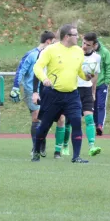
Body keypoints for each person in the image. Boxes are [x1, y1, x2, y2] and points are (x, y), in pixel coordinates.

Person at [32, 24, 93, 163]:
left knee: (77, 122)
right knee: (45, 125)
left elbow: (79, 72)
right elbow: (37, 67)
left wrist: (87, 76)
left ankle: (76, 156)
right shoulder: (50, 50)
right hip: (53, 94)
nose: (79, 37)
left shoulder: (78, 51)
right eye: (76, 35)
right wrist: (44, 79)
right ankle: (36, 150)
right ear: (67, 37)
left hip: (72, 95)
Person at [57, 32, 102, 158]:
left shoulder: (96, 58)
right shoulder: (75, 53)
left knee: (89, 118)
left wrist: (93, 92)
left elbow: (95, 75)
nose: (85, 46)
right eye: (83, 43)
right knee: (70, 121)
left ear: (94, 46)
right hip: (73, 89)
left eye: (88, 45)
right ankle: (65, 145)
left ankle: (92, 147)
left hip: (87, 90)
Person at [12, 31, 56, 153]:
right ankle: (35, 147)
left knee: (45, 118)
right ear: (48, 41)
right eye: (53, 41)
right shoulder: (31, 55)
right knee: (36, 116)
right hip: (31, 90)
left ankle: (42, 144)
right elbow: (20, 70)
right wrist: (15, 87)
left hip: (47, 90)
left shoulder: (51, 55)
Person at [93, 35, 110, 135]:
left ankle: (100, 125)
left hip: (101, 84)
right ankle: (95, 124)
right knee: (93, 106)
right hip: (91, 84)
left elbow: (109, 66)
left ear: (96, 44)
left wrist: (107, 81)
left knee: (101, 105)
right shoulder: (87, 51)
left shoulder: (105, 52)